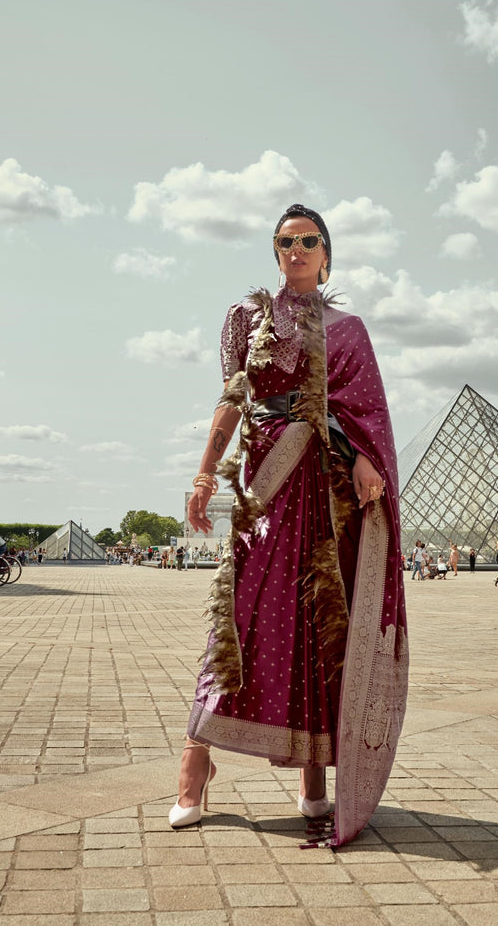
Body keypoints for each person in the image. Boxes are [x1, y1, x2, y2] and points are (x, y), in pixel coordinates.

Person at [170, 203, 408, 848]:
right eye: (284, 242)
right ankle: (196, 760)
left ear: (328, 254)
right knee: (243, 616)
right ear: (274, 253)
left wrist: (365, 457)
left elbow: (368, 410)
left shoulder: (349, 327)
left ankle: (313, 777)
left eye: (308, 241)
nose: (296, 250)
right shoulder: (246, 317)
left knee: (320, 624)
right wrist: (203, 475)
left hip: (329, 492)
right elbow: (231, 399)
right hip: (268, 481)